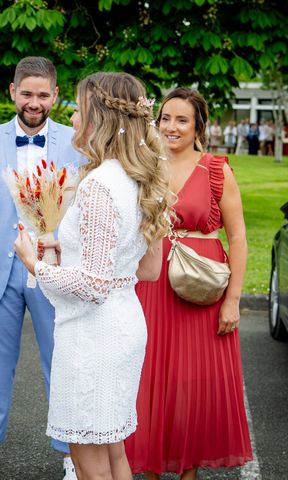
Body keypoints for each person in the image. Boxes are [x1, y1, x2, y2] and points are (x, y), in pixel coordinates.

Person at [14, 71, 169, 479]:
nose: (74, 120)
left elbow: (95, 284)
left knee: (89, 460)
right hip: (123, 323)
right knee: (113, 450)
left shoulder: (99, 184)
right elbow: (146, 268)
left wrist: (36, 264)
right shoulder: (138, 178)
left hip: (93, 334)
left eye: (80, 110)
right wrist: (70, 251)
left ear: (98, 117)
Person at [0, 56, 86, 480]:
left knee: (62, 363)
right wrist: (5, 246)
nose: (35, 102)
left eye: (43, 94)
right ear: (13, 92)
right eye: (27, 93)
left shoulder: (76, 142)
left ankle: (71, 456)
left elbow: (83, 205)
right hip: (1, 271)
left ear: (55, 96)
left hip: (56, 270)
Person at [124, 87, 252, 479]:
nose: (171, 127)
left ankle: (188, 472)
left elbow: (239, 237)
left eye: (182, 120)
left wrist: (232, 301)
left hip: (201, 290)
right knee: (150, 379)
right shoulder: (145, 165)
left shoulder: (216, 170)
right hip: (151, 283)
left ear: (198, 127)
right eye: (165, 118)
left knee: (192, 385)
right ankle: (150, 469)